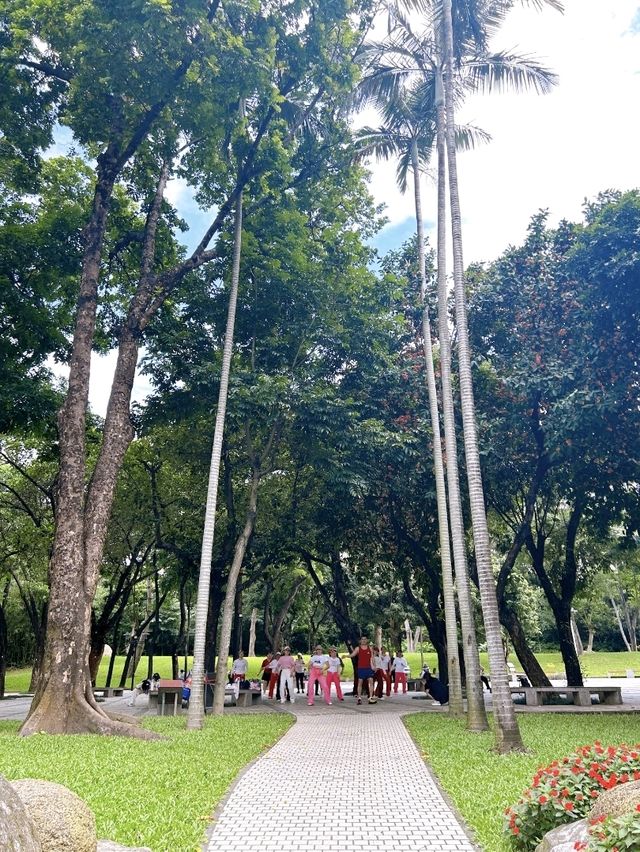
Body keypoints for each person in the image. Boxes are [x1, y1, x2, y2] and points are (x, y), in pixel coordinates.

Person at [350, 636, 376, 705]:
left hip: (369, 668)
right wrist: (347, 656)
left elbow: (372, 658)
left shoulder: (370, 648)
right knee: (360, 682)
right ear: (360, 641)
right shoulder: (358, 648)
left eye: (365, 639)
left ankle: (370, 697)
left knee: (371, 681)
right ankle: (359, 698)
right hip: (361, 668)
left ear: (367, 640)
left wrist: (374, 666)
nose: (364, 640)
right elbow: (353, 654)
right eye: (362, 639)